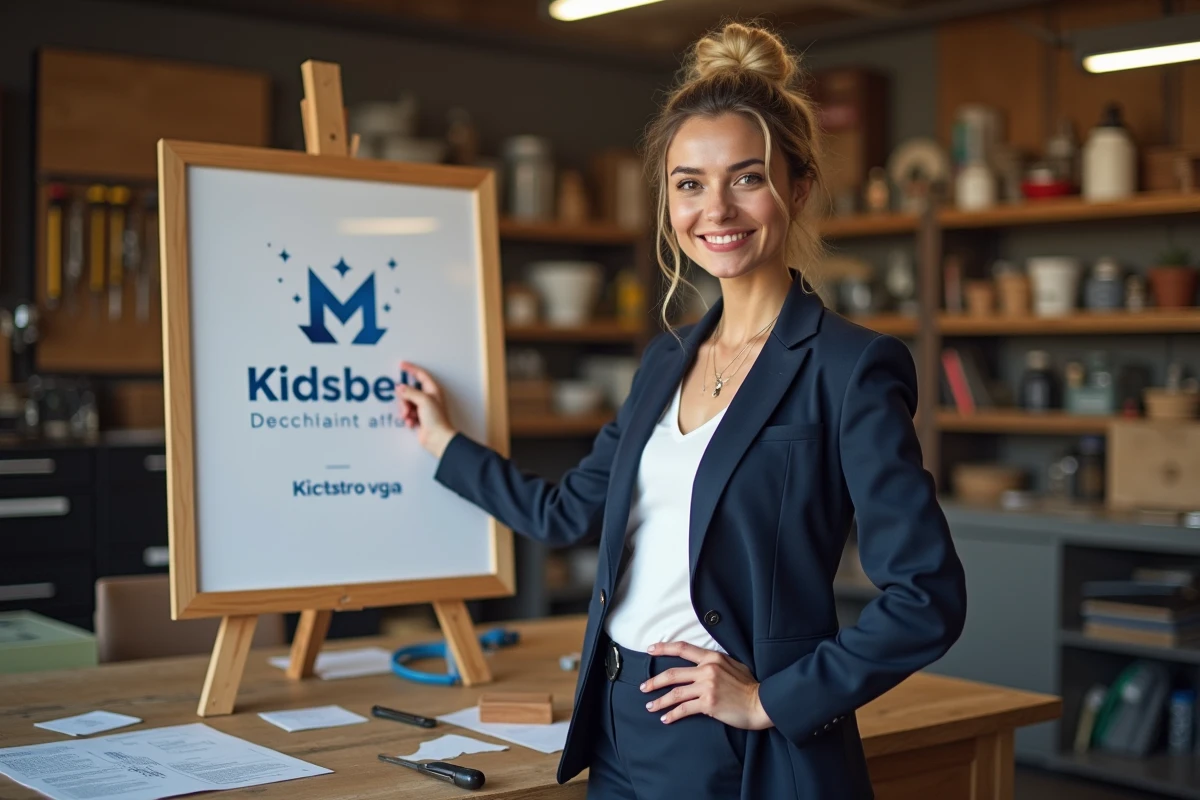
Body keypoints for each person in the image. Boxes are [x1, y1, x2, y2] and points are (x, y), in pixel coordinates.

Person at [396, 20, 966, 800]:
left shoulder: (849, 366)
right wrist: (441, 443)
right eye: (689, 182)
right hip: (616, 719)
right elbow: (568, 514)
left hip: (734, 744)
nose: (716, 208)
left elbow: (925, 597)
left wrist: (772, 700)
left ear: (797, 188)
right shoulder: (667, 362)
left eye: (747, 177)